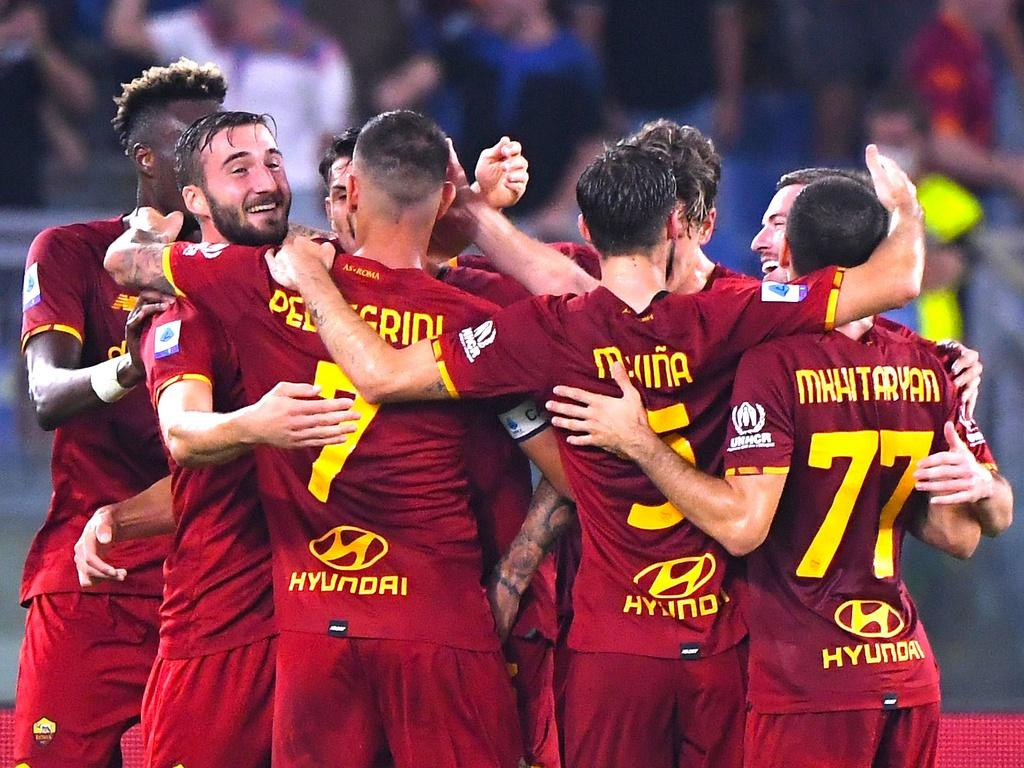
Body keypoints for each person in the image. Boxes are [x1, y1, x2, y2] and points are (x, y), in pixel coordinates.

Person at [260, 140, 924, 767]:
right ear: (674, 225)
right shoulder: (734, 313)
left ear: (585, 228)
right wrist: (904, 207)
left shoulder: (545, 329)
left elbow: (378, 375)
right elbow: (896, 282)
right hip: (721, 640)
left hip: (612, 647)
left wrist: (314, 279)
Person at [105, 109, 570, 768]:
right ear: (444, 198)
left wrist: (149, 226)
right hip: (439, 626)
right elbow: (571, 471)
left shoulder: (261, 282)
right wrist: (516, 571)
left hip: (315, 633)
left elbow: (127, 265)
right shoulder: (477, 323)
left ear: (348, 192)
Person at [545, 176, 1013, 768]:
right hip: (904, 667)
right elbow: (961, 534)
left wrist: (638, 440)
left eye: (777, 226)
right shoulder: (930, 363)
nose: (760, 242)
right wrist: (987, 487)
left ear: (800, 247)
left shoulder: (767, 360)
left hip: (804, 677)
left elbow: (743, 526)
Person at [75, 112, 359, 765]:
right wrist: (257, 423)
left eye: (273, 162)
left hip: (342, 615)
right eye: (239, 169)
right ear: (195, 200)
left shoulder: (330, 279)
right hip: (226, 625)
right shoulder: (185, 308)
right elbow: (186, 434)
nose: (266, 181)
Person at [16, 58, 224, 768]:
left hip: (213, 580)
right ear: (145, 157)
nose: (212, 156)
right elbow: (46, 396)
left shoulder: (252, 270)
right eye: (193, 140)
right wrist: (128, 368)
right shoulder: (70, 252)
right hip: (91, 578)